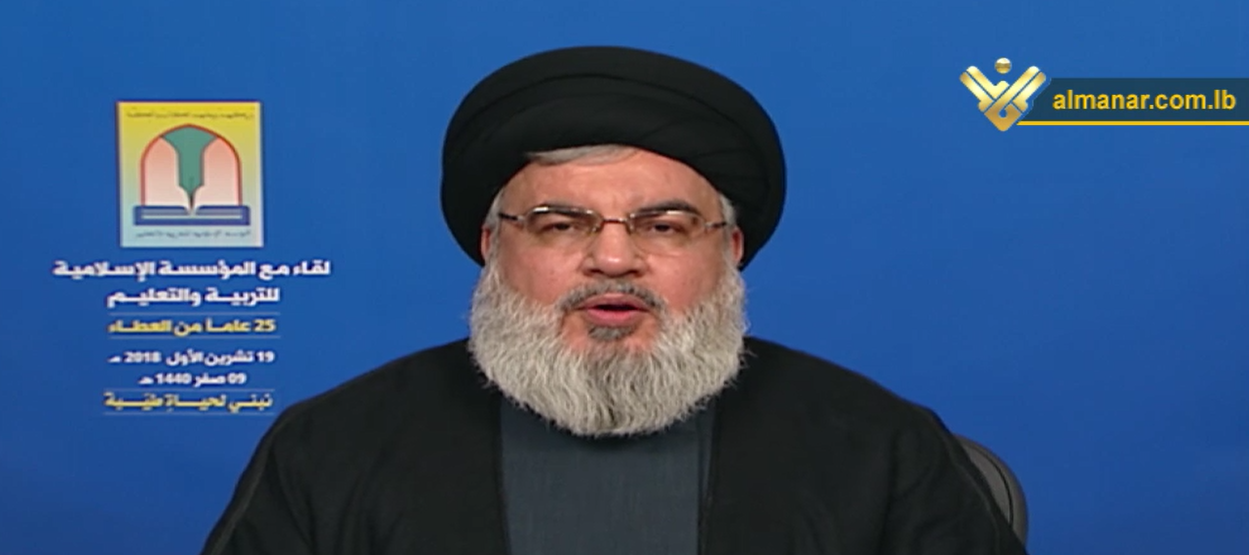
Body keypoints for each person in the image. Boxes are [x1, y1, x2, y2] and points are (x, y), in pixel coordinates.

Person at [198, 45, 1029, 555]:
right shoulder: (333, 446)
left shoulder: (877, 447)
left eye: (663, 226)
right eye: (560, 224)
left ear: (729, 248)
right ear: (491, 244)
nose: (613, 257)